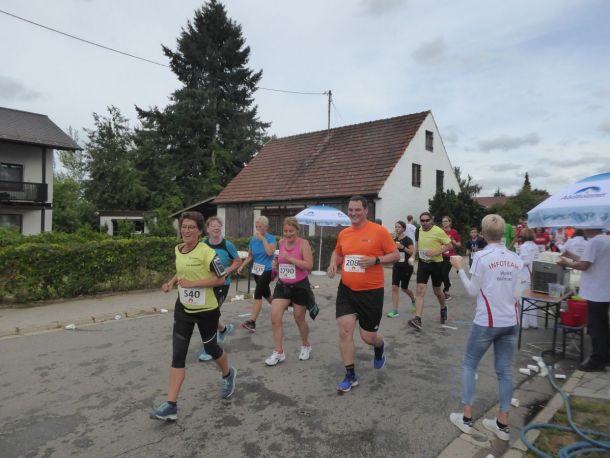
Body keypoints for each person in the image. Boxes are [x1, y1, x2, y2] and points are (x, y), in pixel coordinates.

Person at [151, 211, 236, 421]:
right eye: (184, 226)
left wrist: (194, 284)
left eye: (191, 227)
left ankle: (228, 374)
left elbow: (221, 278)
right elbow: (182, 271)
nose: (186, 230)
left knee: (212, 349)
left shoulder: (208, 252)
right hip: (184, 310)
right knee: (178, 355)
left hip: (207, 311)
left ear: (199, 231)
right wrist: (171, 282)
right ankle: (171, 405)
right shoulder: (178, 249)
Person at [448, 214, 524, 441]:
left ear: (482, 233)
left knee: (469, 364)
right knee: (504, 371)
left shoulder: (481, 257)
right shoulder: (516, 259)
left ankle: (467, 418)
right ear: (503, 233)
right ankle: (502, 424)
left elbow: (472, 291)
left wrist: (459, 268)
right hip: (510, 321)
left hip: (487, 321)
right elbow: (519, 294)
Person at [327, 195, 399, 392]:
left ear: (366, 210)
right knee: (344, 330)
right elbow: (338, 252)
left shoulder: (379, 231)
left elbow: (395, 255)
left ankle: (379, 346)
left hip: (371, 292)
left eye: (357, 209)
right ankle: (350, 375)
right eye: (351, 210)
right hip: (347, 289)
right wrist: (333, 263)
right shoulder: (344, 233)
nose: (354, 213)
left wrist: (376, 260)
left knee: (368, 336)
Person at [558, 228, 610, 372]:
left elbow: (584, 265)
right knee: (603, 325)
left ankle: (597, 360)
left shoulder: (595, 242)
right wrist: (572, 257)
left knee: (595, 327)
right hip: (604, 290)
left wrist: (567, 263)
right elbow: (590, 260)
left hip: (595, 291)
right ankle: (605, 355)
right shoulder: (605, 240)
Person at [265, 217, 315, 366]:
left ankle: (306, 344)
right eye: (285, 231)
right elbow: (280, 262)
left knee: (299, 319)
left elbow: (309, 266)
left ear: (297, 230)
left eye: (291, 231)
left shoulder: (303, 244)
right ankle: (278, 352)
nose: (288, 234)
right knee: (275, 317)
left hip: (300, 286)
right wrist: (276, 266)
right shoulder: (281, 243)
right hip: (283, 285)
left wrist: (291, 258)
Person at [198, 216, 242, 362]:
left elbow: (237, 261)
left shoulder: (227, 245)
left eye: (218, 226)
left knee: (210, 315)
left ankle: (210, 349)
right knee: (208, 314)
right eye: (213, 226)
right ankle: (223, 329)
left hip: (222, 284)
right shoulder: (202, 245)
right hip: (207, 284)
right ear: (208, 229)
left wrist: (227, 271)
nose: (216, 228)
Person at [407, 212, 452, 330]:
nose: (425, 222)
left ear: (431, 220)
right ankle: (417, 319)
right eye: (422, 220)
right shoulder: (418, 230)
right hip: (423, 264)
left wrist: (435, 252)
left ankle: (443, 307)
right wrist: (413, 256)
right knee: (420, 290)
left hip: (437, 264)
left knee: (437, 291)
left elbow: (449, 246)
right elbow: (417, 244)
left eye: (427, 220)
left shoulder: (438, 231)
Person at [238, 216, 276, 332]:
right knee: (266, 294)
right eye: (257, 226)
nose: (258, 229)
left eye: (261, 227)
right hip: (257, 271)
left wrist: (263, 239)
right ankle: (279, 307)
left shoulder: (271, 238)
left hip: (267, 270)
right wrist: (242, 265)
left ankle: (252, 322)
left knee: (258, 293)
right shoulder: (253, 240)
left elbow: (269, 253)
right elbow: (250, 256)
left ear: (266, 227)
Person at [387, 220, 416, 317]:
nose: (397, 228)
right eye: (396, 227)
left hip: (406, 267)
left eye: (399, 227)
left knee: (404, 288)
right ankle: (395, 311)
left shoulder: (408, 240)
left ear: (403, 229)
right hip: (396, 266)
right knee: (394, 287)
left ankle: (413, 299)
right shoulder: (394, 239)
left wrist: (402, 247)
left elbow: (412, 252)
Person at [517, 228, 539, 329]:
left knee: (524, 298)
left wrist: (517, 260)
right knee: (533, 299)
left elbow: (525, 261)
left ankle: (524, 323)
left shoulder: (523, 247)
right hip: (534, 273)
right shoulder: (536, 246)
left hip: (525, 274)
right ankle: (533, 322)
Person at [441, 216, 462, 301]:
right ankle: (448, 283)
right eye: (443, 221)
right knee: (440, 274)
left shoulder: (454, 232)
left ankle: (446, 291)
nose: (444, 223)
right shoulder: (440, 231)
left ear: (450, 222)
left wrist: (454, 242)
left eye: (446, 221)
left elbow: (459, 244)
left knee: (444, 273)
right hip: (440, 255)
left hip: (450, 256)